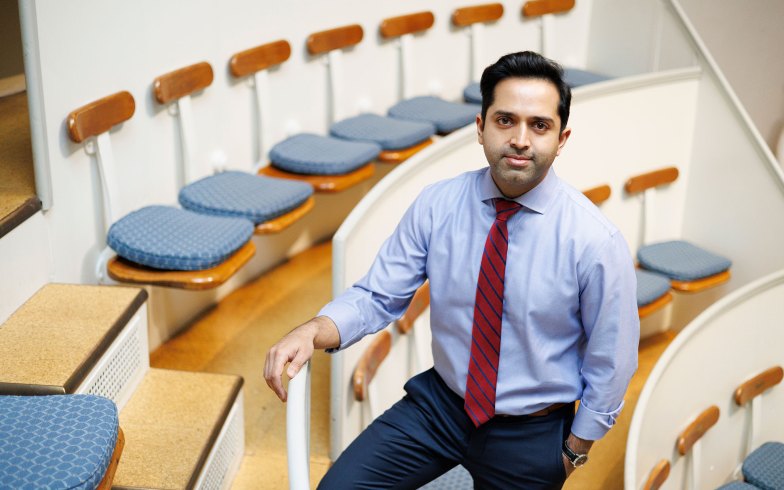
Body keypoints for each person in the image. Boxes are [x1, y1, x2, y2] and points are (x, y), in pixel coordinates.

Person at [264, 51, 639, 489]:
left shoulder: (594, 240)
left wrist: (574, 450)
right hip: (440, 407)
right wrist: (311, 330)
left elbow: (611, 358)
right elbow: (378, 296)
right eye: (505, 120)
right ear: (480, 128)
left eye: (539, 125)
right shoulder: (437, 204)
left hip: (531, 431)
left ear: (562, 138)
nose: (520, 139)